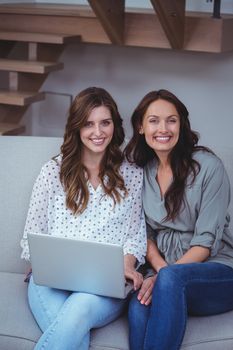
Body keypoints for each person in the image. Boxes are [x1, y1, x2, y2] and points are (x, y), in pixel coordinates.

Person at [20, 87, 147, 350]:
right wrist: (39, 259)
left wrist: (126, 262)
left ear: (115, 125)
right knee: (72, 333)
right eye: (88, 124)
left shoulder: (133, 174)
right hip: (50, 283)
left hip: (103, 288)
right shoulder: (53, 171)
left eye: (105, 123)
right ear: (77, 127)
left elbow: (136, 234)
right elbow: (32, 231)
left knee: (77, 311)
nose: (98, 132)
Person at [124, 89, 233, 350]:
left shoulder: (208, 167)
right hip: (165, 274)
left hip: (216, 274)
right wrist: (161, 272)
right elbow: (144, 234)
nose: (163, 128)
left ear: (181, 124)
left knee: (172, 281)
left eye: (171, 120)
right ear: (140, 127)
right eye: (153, 121)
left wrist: (165, 276)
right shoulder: (142, 172)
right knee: (138, 305)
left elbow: (205, 244)